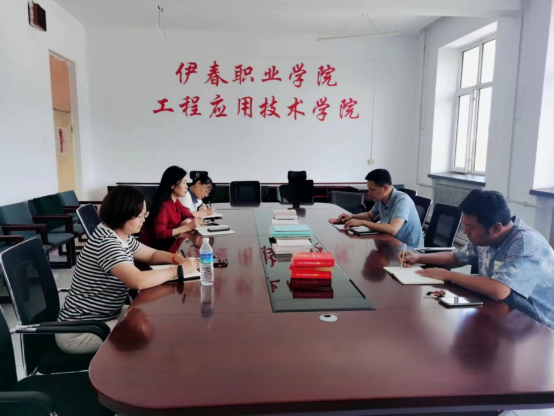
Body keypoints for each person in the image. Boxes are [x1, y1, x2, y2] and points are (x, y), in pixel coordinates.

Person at [57, 185, 199, 354]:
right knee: (147, 333)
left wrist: (176, 258)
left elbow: (151, 254)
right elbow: (137, 280)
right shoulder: (107, 243)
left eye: (145, 214)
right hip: (80, 331)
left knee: (155, 314)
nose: (143, 220)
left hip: (106, 316)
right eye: (139, 216)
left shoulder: (120, 236)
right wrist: (179, 270)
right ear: (122, 215)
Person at [399, 189, 554, 330]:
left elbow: (499, 290)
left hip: (537, 327)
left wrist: (448, 275)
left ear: (496, 228)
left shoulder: (525, 244)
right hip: (502, 313)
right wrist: (418, 257)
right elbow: (456, 257)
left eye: (470, 227)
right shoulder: (487, 238)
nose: (465, 231)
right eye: (465, 225)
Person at [339, 169, 424, 247]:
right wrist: (352, 216)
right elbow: (369, 216)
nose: (369, 193)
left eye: (372, 190)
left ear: (385, 188)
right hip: (392, 244)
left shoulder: (402, 200)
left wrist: (362, 222)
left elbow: (393, 229)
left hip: (410, 251)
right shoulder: (381, 199)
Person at [139, 166, 203, 251]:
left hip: (167, 245)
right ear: (172, 185)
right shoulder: (163, 205)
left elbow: (189, 215)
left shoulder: (175, 201)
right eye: (184, 183)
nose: (186, 187)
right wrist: (187, 227)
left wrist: (187, 220)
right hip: (152, 250)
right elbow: (161, 233)